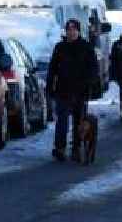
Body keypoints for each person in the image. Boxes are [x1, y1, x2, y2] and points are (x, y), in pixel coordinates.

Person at [47, 18, 100, 162]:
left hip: (80, 91)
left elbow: (94, 68)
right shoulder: (60, 47)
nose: (71, 32)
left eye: (74, 29)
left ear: (78, 31)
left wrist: (90, 83)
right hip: (62, 90)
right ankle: (60, 148)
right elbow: (52, 69)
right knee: (62, 121)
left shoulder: (86, 47)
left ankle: (76, 148)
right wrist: (50, 86)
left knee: (79, 122)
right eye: (68, 30)